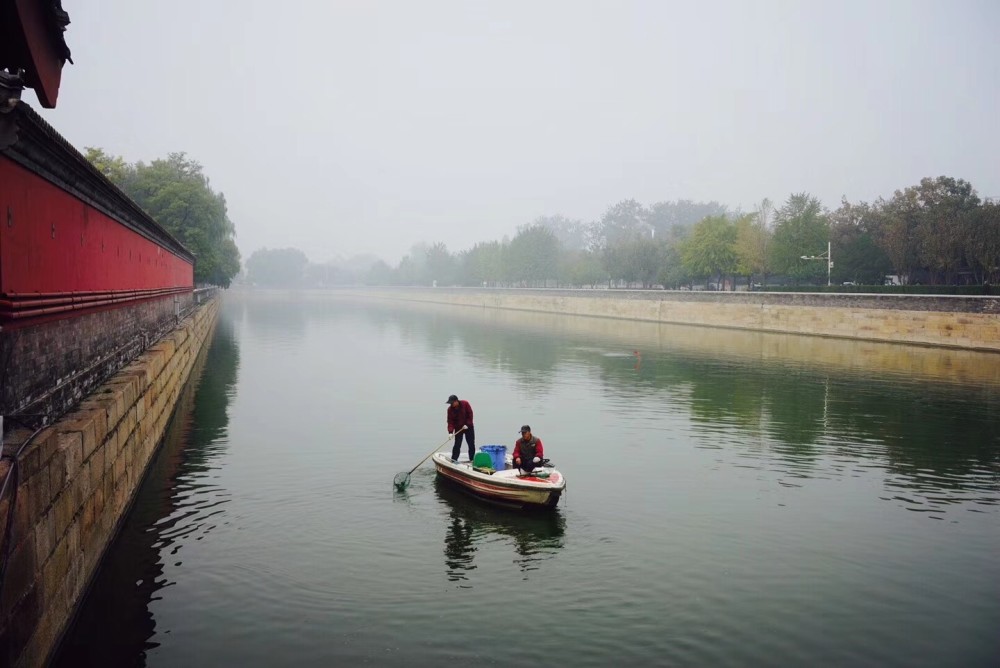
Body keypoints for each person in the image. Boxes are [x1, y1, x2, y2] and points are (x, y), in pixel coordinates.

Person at [446, 394, 475, 462]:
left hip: (468, 427)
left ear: (456, 401)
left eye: (452, 403)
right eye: (450, 403)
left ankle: (472, 459)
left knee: (471, 443)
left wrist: (467, 424)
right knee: (457, 444)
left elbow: (470, 414)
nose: (451, 404)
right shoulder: (450, 410)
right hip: (458, 428)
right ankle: (454, 459)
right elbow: (450, 422)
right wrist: (450, 432)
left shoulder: (465, 403)